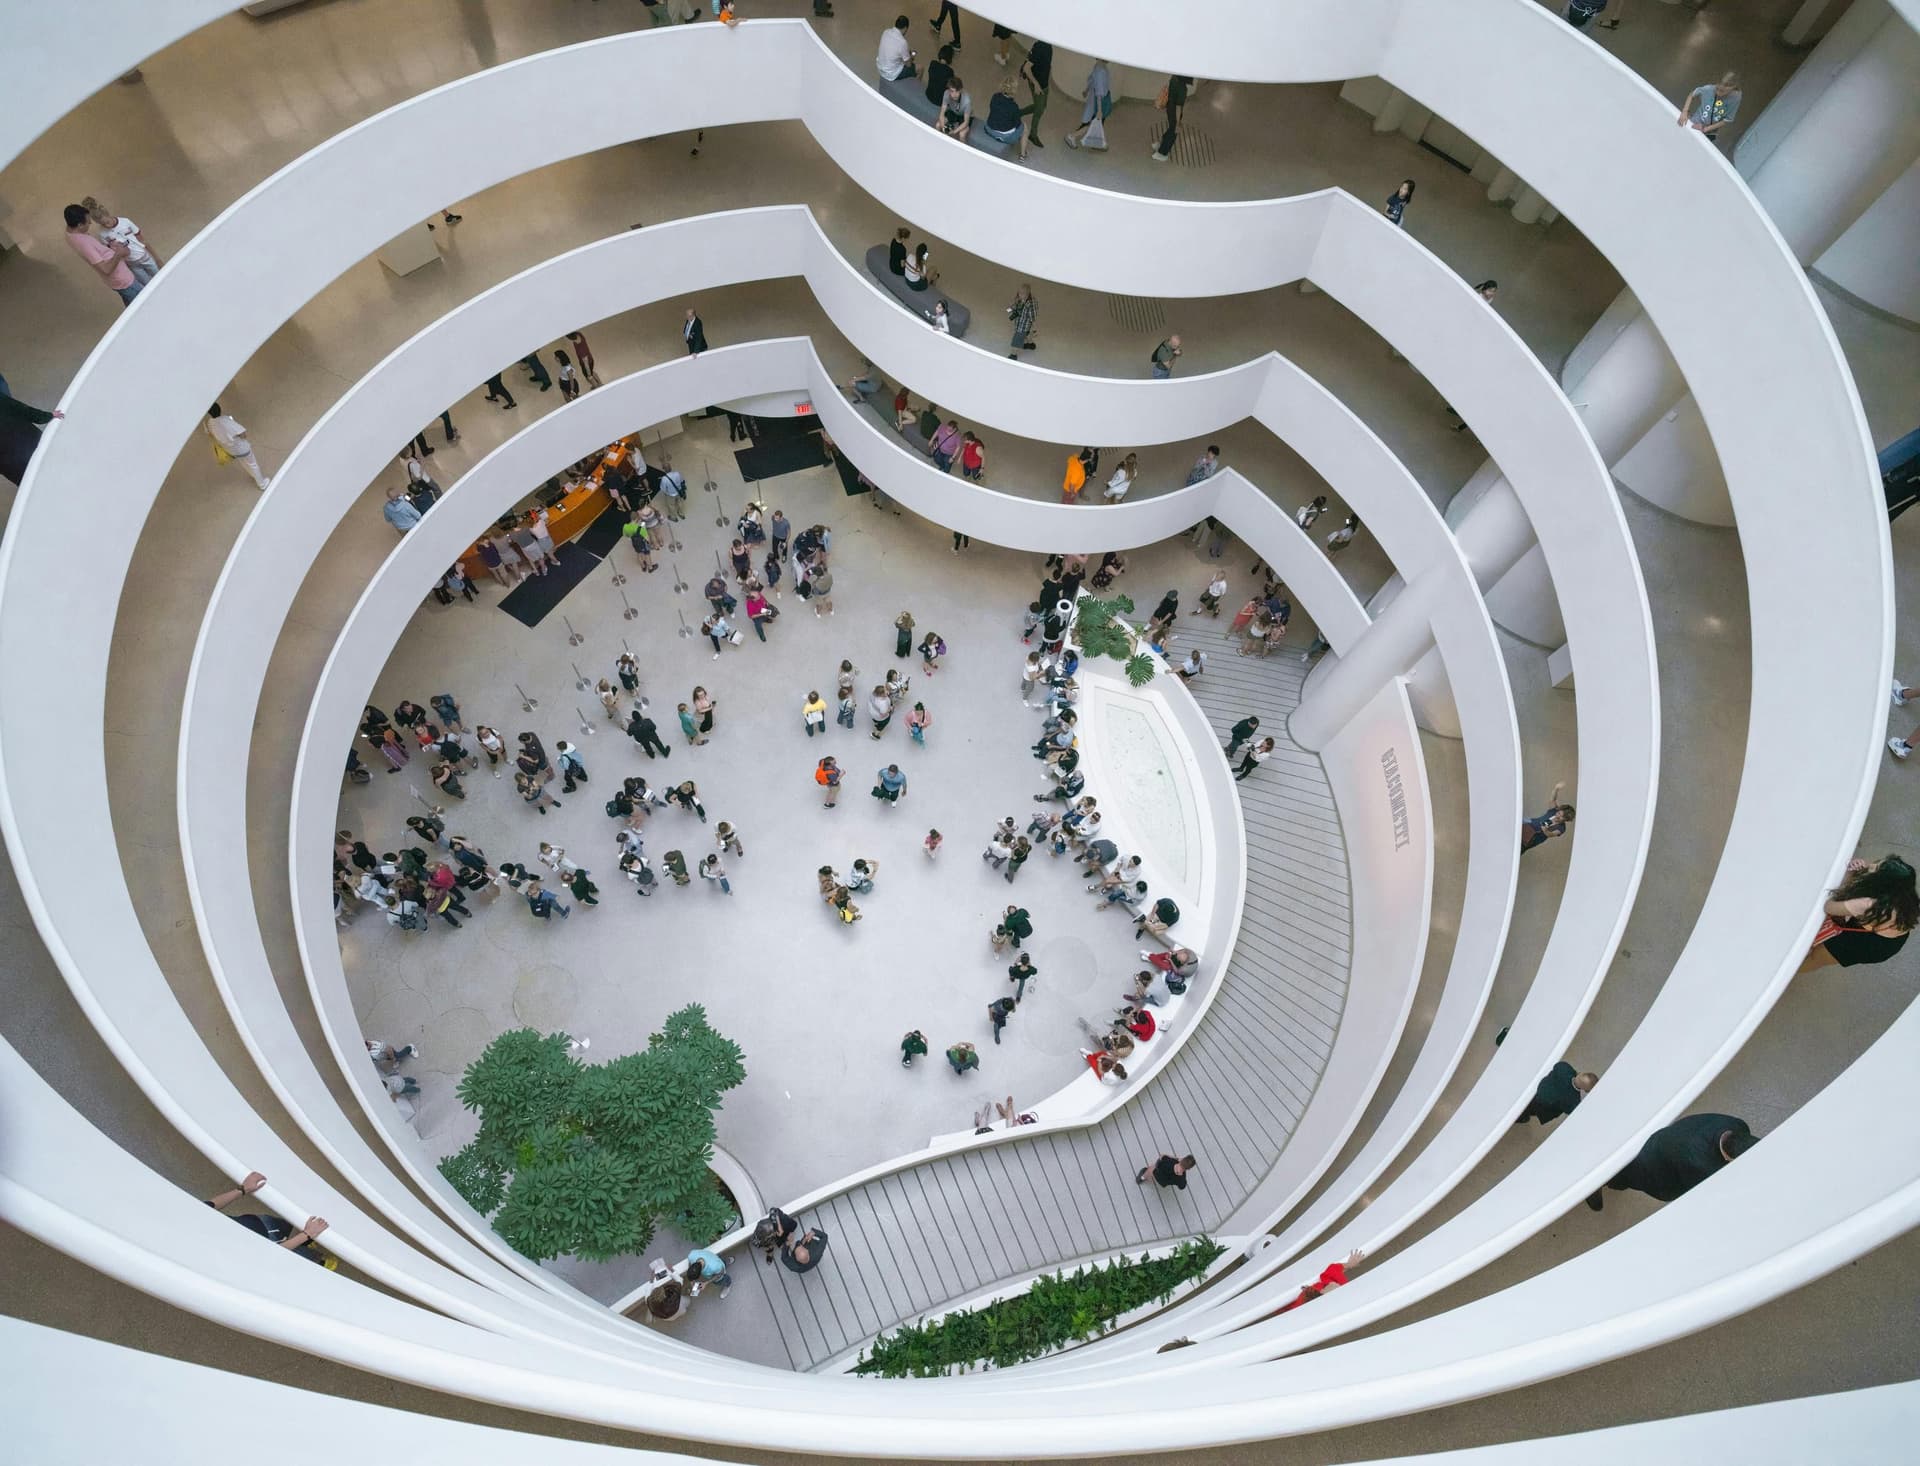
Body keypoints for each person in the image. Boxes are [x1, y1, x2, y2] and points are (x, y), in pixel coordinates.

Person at [1587, 1114, 1758, 1211]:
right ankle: (1600, 1182)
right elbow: (1697, 1192)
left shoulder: (1736, 1125)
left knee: (1631, 1169)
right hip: (1655, 1165)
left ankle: (1614, 1177)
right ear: (1728, 1158)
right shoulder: (1702, 1164)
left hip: (1668, 1137)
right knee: (1631, 1175)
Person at [1798, 855, 1918, 973]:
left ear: (1880, 883)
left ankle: (1792, 970)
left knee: (1816, 958)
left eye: (1875, 868)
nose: (1871, 865)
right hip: (1893, 940)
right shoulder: (1905, 896)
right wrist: (1864, 873)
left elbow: (1829, 907)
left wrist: (1850, 876)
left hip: (1866, 945)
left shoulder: (1868, 905)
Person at [62, 203, 143, 306]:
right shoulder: (84, 244)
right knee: (140, 303)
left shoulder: (69, 232)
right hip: (122, 279)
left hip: (116, 281)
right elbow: (106, 269)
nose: (90, 223)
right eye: (87, 222)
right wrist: (118, 254)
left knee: (128, 300)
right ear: (79, 225)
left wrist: (108, 248)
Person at [83, 198, 162, 285]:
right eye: (102, 224)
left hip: (145, 258)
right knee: (148, 286)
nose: (107, 225)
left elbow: (142, 240)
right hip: (133, 265)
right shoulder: (102, 234)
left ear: (108, 214)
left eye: (107, 222)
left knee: (161, 277)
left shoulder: (125, 222)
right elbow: (112, 253)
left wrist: (157, 259)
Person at [1275, 1249, 1366, 1313]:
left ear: (1321, 1292)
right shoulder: (1340, 1285)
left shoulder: (1305, 1300)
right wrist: (1349, 1264)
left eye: (1332, 1285)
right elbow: (1332, 1270)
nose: (1334, 1283)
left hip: (1287, 1305)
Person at [204, 403, 271, 490]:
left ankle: (253, 475)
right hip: (241, 448)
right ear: (220, 409)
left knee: (244, 463)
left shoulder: (209, 422)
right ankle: (262, 484)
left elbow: (209, 433)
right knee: (253, 464)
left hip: (229, 450)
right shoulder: (226, 420)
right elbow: (243, 434)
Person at [1517, 1062, 1598, 1126]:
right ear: (1586, 1090)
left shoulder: (1565, 1068)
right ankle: (1521, 1117)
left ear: (1580, 1073)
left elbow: (1557, 1065)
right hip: (1541, 1106)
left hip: (1536, 1089)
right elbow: (1569, 1110)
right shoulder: (1573, 1101)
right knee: (1526, 1111)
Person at [1677, 71, 1742, 141]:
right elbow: (1691, 95)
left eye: (1722, 91)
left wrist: (1705, 129)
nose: (1718, 93)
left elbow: (1727, 120)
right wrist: (1685, 112)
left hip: (1711, 132)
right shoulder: (1709, 89)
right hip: (1695, 123)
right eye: (1717, 89)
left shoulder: (1736, 97)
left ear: (1732, 88)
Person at [1062, 57, 1111, 149]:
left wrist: (1086, 90)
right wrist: (1100, 110)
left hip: (1097, 99)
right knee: (1093, 122)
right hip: (1099, 102)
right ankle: (1072, 136)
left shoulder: (1099, 66)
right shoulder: (1101, 71)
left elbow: (1092, 80)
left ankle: (1097, 142)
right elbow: (1099, 92)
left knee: (1096, 122)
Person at [1017, 37, 1053, 147]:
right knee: (1039, 110)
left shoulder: (1048, 45)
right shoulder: (1041, 46)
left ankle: (1018, 113)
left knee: (1041, 107)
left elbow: (1046, 63)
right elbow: (1026, 68)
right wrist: (1036, 85)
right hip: (1038, 84)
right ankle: (1033, 134)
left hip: (1044, 83)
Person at [1520, 783, 1575, 853]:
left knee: (1520, 848)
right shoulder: (1553, 811)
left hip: (1534, 838)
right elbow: (1553, 799)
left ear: (1566, 820)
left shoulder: (1561, 828)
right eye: (1558, 813)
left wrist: (1545, 831)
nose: (1558, 816)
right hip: (1530, 823)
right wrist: (1556, 788)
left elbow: (1551, 834)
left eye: (1561, 817)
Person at [1151, 74, 1191, 162]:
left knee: (1170, 129)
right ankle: (1161, 153)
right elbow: (1178, 107)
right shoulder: (1182, 88)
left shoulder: (1174, 78)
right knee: (1173, 131)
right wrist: (1178, 122)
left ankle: (1160, 144)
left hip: (1169, 108)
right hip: (1174, 111)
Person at [984, 75, 1026, 151]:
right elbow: (1017, 124)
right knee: (1024, 127)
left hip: (988, 128)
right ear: (1014, 90)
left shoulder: (995, 96)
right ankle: (1023, 155)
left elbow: (991, 108)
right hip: (1003, 136)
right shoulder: (1014, 106)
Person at [877, 15, 917, 80]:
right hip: (891, 74)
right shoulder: (903, 42)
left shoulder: (886, 31)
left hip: (880, 68)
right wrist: (912, 57)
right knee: (920, 68)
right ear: (905, 28)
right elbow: (908, 65)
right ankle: (914, 87)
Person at [936, 75, 974, 142]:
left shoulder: (967, 101)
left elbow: (966, 122)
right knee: (938, 125)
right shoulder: (946, 93)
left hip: (963, 116)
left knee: (962, 134)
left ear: (961, 90)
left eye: (957, 91)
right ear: (948, 90)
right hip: (953, 112)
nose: (954, 94)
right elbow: (942, 112)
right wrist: (943, 126)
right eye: (952, 91)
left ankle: (962, 149)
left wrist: (954, 132)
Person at [1007, 284, 1038, 358]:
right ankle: (1030, 345)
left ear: (1028, 293)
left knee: (1016, 341)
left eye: (1022, 293)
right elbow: (1014, 306)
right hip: (1019, 324)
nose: (1020, 295)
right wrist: (1009, 309)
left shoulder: (1031, 304)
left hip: (1023, 327)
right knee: (1027, 336)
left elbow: (1033, 317)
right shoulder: (1019, 299)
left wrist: (1034, 328)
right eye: (1019, 293)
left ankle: (1013, 355)